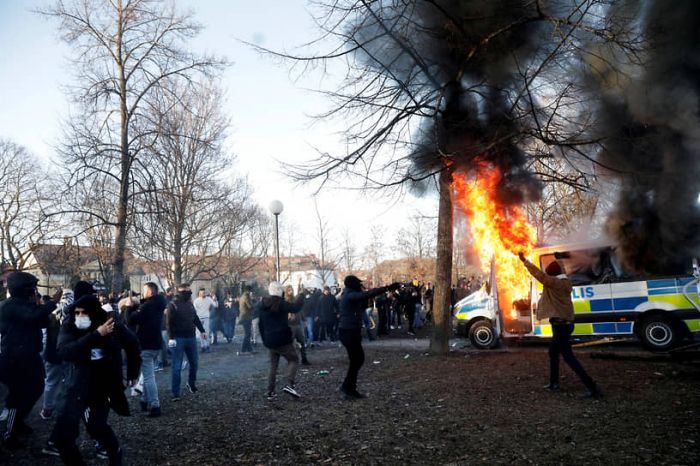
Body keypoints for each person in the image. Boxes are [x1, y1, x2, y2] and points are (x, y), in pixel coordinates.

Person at [46, 294, 141, 465]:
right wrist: (96, 335)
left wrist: (133, 373)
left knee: (96, 427)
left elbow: (133, 344)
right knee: (63, 438)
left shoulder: (110, 325)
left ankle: (115, 453)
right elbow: (65, 352)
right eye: (77, 313)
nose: (80, 317)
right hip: (74, 386)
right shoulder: (70, 325)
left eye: (84, 313)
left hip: (100, 387)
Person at [518, 251, 602, 398]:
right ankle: (554, 383)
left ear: (552, 276)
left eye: (549, 275)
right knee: (553, 353)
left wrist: (525, 261)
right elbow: (562, 271)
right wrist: (559, 260)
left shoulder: (554, 283)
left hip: (560, 326)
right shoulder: (565, 281)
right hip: (565, 324)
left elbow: (538, 274)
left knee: (569, 358)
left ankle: (593, 387)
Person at [0, 272, 50, 449]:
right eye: (30, 287)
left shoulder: (26, 304)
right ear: (21, 288)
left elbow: (42, 323)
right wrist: (51, 304)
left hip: (30, 356)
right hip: (14, 359)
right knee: (17, 396)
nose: (34, 290)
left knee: (37, 388)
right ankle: (9, 435)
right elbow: (31, 318)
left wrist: (39, 306)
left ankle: (18, 420)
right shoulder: (10, 305)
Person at [338, 276, 400, 400]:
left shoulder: (349, 294)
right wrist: (386, 288)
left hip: (350, 331)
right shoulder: (350, 294)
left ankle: (348, 386)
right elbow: (366, 295)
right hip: (348, 332)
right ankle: (348, 388)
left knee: (357, 359)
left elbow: (365, 297)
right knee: (357, 359)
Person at [258, 281, 306, 400]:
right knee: (294, 359)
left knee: (273, 365)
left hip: (270, 339)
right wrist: (301, 295)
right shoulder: (281, 303)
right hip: (283, 338)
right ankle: (289, 384)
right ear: (280, 291)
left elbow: (260, 324)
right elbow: (295, 308)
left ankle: (270, 392)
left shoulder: (262, 304)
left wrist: (264, 339)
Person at [127, 282, 167, 417]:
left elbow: (130, 320)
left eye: (144, 291)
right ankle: (144, 401)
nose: (142, 293)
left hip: (146, 345)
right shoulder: (158, 304)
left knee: (148, 377)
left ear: (150, 292)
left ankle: (156, 406)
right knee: (146, 375)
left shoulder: (147, 306)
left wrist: (128, 308)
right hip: (156, 344)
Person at [166, 283, 206, 400]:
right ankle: (175, 392)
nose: (189, 293)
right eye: (187, 291)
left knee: (194, 363)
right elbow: (169, 322)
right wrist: (171, 338)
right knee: (177, 366)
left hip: (191, 338)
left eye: (189, 291)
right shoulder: (173, 305)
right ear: (180, 292)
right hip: (178, 339)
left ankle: (191, 384)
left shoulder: (189, 303)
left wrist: (202, 330)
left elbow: (195, 318)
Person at [285, 284, 310, 365]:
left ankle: (304, 359)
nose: (290, 291)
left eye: (291, 290)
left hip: (298, 324)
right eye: (289, 290)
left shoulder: (295, 299)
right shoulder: (285, 301)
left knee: (302, 342)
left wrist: (304, 320)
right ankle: (290, 360)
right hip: (290, 324)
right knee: (290, 344)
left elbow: (300, 310)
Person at [193, 288, 215, 353]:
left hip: (206, 317)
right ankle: (203, 346)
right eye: (203, 293)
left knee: (207, 332)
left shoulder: (208, 299)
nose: (204, 294)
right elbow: (194, 308)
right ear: (199, 293)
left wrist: (215, 301)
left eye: (205, 292)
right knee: (200, 333)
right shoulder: (196, 300)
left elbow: (215, 305)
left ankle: (207, 346)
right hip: (199, 317)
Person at [238, 286, 254, 354]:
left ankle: (249, 349)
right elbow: (250, 306)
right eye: (250, 291)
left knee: (248, 333)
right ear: (248, 291)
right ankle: (243, 349)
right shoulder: (246, 297)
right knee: (247, 334)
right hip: (246, 317)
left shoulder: (242, 297)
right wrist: (257, 304)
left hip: (245, 317)